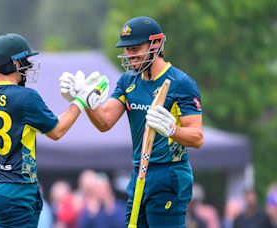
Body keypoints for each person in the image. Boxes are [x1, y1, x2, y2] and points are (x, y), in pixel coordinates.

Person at [0, 33, 109, 227]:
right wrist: (80, 101)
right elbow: (57, 131)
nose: (28, 65)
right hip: (16, 190)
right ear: (14, 63)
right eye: (25, 60)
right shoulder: (26, 97)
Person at [60, 16, 203, 227]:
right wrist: (85, 100)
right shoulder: (128, 80)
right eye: (126, 49)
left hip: (169, 173)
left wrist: (171, 129)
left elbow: (197, 137)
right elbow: (105, 122)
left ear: (156, 44)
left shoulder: (180, 83)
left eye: (135, 48)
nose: (129, 55)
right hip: (139, 174)